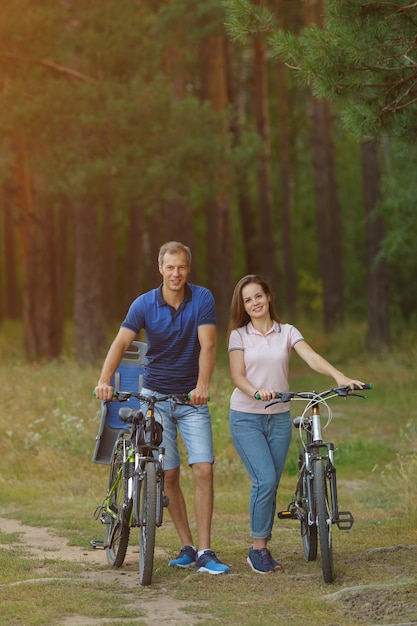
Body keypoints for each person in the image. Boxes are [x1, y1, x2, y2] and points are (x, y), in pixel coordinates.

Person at [95, 241, 230, 575]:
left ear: (189, 268)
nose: (176, 274)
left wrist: (202, 386)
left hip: (190, 400)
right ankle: (187, 547)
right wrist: (105, 380)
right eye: (170, 267)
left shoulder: (202, 298)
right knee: (168, 474)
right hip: (154, 398)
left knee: (203, 469)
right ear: (160, 268)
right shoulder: (143, 303)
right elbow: (121, 342)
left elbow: (208, 345)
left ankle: (206, 551)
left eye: (182, 267)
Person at [228, 274, 364, 575]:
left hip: (278, 417)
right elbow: (237, 376)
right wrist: (256, 391)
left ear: (268, 297)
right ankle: (258, 549)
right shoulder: (239, 335)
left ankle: (269, 539)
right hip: (246, 416)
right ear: (244, 306)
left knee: (272, 483)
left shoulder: (286, 331)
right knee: (263, 479)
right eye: (248, 300)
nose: (254, 303)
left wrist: (339, 377)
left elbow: (311, 356)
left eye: (258, 296)